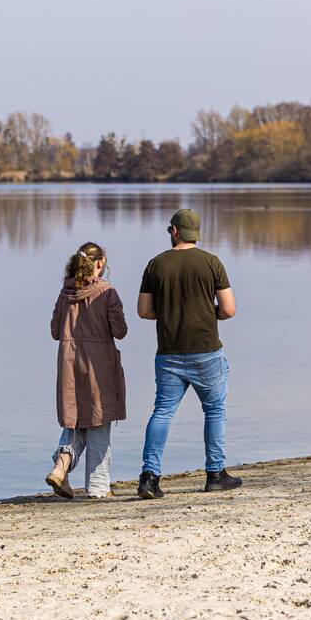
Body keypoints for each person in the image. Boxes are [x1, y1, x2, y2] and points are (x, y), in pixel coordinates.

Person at [136, 208, 241, 499]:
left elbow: (144, 311)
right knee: (215, 411)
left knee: (163, 412)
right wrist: (207, 313)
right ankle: (215, 474)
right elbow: (229, 309)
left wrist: (169, 312)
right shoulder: (212, 262)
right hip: (206, 351)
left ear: (174, 231)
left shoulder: (155, 264)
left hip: (168, 352)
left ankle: (149, 477)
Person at [45, 242, 128, 499]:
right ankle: (98, 486)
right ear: (100, 263)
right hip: (98, 364)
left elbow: (55, 331)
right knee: (99, 419)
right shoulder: (107, 292)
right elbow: (121, 331)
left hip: (69, 364)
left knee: (76, 418)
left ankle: (62, 463)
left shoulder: (64, 294)